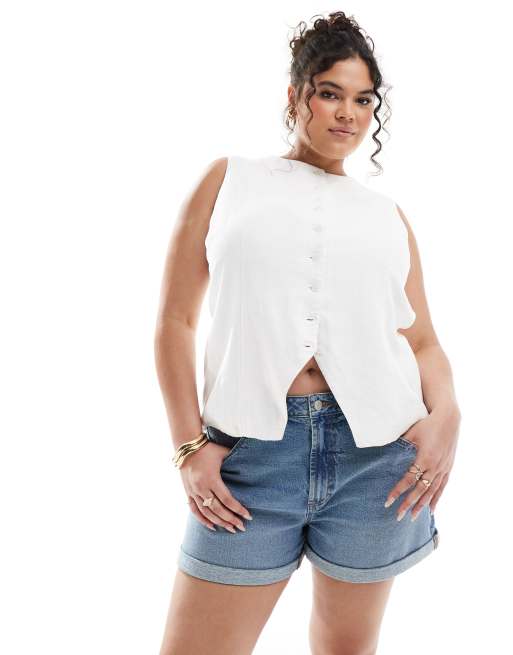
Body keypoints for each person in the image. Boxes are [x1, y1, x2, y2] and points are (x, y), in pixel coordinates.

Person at [154, 11, 461, 655]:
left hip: (375, 461)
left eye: (363, 99)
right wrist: (188, 447)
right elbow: (175, 322)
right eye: (330, 93)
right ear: (295, 96)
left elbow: (423, 341)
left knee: (345, 649)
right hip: (249, 458)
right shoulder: (229, 180)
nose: (347, 113)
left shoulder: (387, 216)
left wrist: (448, 415)